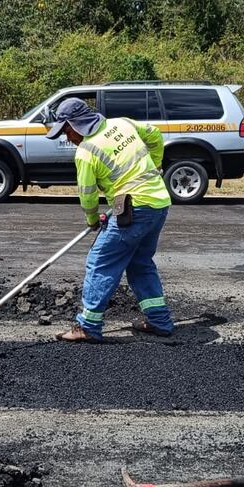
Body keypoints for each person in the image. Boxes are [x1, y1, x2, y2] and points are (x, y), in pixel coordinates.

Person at [49, 97, 175, 343]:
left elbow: (87, 195)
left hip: (135, 210)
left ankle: (88, 326)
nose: (65, 137)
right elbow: (156, 136)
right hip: (159, 203)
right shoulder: (123, 124)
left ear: (75, 125)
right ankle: (159, 321)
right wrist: (157, 164)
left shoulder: (86, 151)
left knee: (100, 263)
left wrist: (93, 220)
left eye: (65, 130)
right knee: (140, 263)